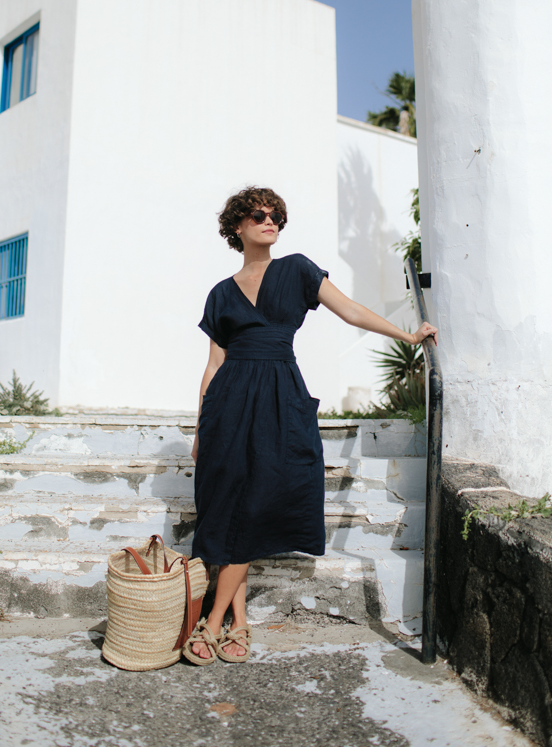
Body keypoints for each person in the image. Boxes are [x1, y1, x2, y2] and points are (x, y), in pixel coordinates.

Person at [181, 186, 438, 665]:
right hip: (228, 403)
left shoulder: (297, 269)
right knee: (227, 505)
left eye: (276, 215)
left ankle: (212, 621)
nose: (270, 221)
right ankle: (239, 622)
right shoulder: (220, 293)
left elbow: (350, 310)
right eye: (259, 215)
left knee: (254, 502)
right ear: (237, 226)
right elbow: (213, 365)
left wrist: (408, 335)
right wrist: (201, 427)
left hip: (279, 395)